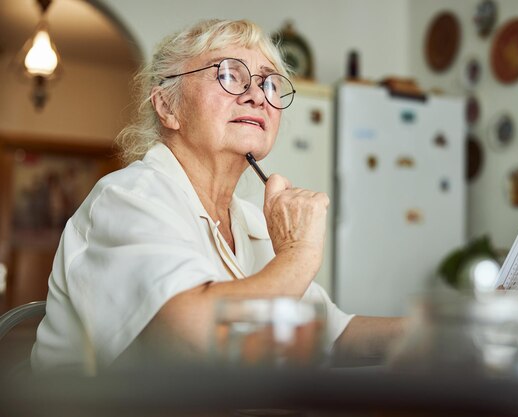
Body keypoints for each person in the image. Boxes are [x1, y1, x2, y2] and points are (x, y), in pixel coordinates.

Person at [31, 19, 404, 374]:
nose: (258, 95)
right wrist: (299, 255)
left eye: (270, 84)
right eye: (229, 74)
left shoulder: (257, 223)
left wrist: (431, 333)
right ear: (167, 106)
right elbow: (195, 341)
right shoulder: (127, 198)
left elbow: (332, 335)